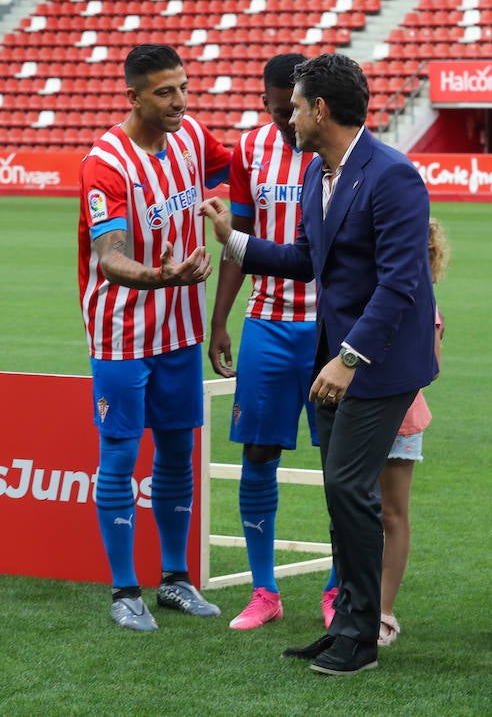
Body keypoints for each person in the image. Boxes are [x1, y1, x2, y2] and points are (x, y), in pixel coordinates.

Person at [201, 52, 438, 676]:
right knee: (343, 493)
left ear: (321, 110)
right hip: (334, 359)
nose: (289, 117)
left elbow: (400, 284)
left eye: (297, 106)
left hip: (378, 365)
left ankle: (359, 636)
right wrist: (234, 240)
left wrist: (347, 359)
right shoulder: (318, 175)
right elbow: (308, 258)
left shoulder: (393, 176)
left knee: (347, 488)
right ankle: (347, 627)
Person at [77, 43, 230, 630]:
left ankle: (174, 580)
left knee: (176, 451)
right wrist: (163, 274)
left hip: (181, 330)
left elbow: (239, 168)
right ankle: (123, 591)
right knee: (119, 454)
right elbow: (111, 259)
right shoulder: (107, 164)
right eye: (165, 92)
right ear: (133, 96)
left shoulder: (190, 135)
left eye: (184, 88)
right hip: (121, 332)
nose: (180, 101)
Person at [208, 53, 320, 631]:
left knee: (344, 463)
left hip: (330, 329)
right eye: (275, 112)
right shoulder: (250, 150)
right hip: (269, 324)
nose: (285, 124)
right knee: (257, 453)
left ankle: (338, 589)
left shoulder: (343, 148)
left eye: (291, 111)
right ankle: (264, 590)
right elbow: (240, 240)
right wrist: (220, 318)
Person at [376, 216, 448, 647]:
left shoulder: (424, 297)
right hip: (359, 411)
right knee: (354, 511)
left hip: (400, 414)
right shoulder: (368, 284)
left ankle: (384, 611)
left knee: (392, 513)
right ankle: (354, 601)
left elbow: (432, 365)